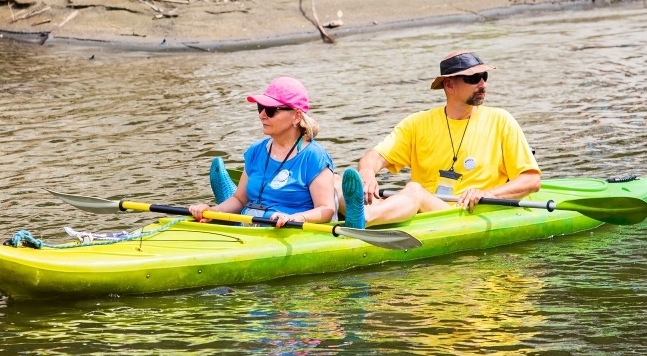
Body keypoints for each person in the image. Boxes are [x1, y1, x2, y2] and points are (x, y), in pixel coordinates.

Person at [341, 50, 541, 229]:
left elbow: (531, 180)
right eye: (473, 78)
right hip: (425, 213)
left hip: (467, 214)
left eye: (484, 76)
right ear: (449, 85)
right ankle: (359, 214)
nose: (483, 84)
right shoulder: (417, 123)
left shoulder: (501, 121)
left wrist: (488, 194)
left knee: (414, 190)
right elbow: (374, 157)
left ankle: (364, 217)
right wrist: (367, 174)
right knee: (335, 181)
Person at [189, 76, 337, 228]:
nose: (262, 115)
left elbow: (326, 209)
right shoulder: (256, 150)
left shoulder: (314, 156)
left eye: (271, 110)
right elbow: (240, 200)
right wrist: (212, 211)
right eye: (261, 107)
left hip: (287, 232)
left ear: (297, 116)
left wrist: (295, 218)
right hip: (248, 228)